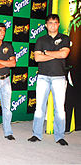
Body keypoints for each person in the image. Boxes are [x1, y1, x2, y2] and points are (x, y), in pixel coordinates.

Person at [28, 14, 70, 146]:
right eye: (50, 23)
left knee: (59, 108)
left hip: (59, 77)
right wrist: (55, 54)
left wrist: (46, 53)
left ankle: (60, 136)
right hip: (43, 77)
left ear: (58, 24)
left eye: (55, 23)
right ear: (46, 25)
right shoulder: (41, 40)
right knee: (39, 107)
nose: (53, 25)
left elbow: (64, 54)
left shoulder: (65, 38)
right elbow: (37, 58)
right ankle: (36, 134)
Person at [65, 0, 81, 131]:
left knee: (70, 99)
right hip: (73, 67)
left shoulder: (77, 23)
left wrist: (70, 68)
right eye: (69, 3)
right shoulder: (74, 22)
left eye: (73, 3)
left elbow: (74, 48)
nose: (70, 6)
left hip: (75, 68)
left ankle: (68, 127)